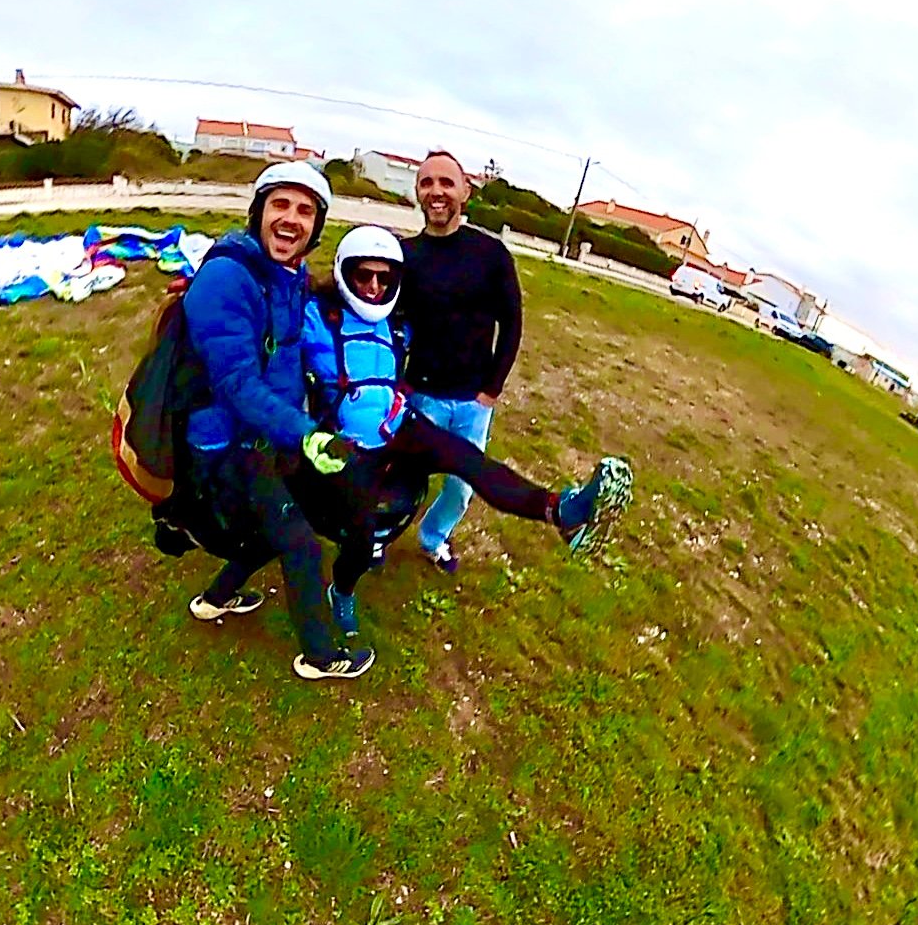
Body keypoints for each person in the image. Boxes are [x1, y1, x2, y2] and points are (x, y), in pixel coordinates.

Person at [298, 225, 633, 635]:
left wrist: (488, 381)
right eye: (362, 275)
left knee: (469, 460)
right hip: (346, 442)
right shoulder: (314, 316)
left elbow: (452, 317)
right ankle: (343, 591)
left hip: (399, 426)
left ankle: (562, 510)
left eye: (384, 279)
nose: (373, 287)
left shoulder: (396, 321)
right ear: (342, 272)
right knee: (361, 534)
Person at [178, 161, 372, 681]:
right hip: (226, 446)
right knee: (300, 543)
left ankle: (214, 600)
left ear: (316, 227)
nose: (291, 219)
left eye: (305, 211)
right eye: (280, 204)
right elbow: (236, 384)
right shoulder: (228, 278)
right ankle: (321, 657)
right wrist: (306, 434)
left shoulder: (288, 276)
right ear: (258, 212)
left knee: (276, 531)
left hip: (268, 435)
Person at [398, 150, 524, 573]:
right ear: (418, 191)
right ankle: (378, 536)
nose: (436, 191)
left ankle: (433, 538)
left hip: (473, 401)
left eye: (446, 183)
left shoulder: (491, 254)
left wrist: (492, 389)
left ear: (465, 192)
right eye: (427, 182)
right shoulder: (405, 255)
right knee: (402, 477)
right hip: (420, 395)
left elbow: (512, 323)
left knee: (461, 487)